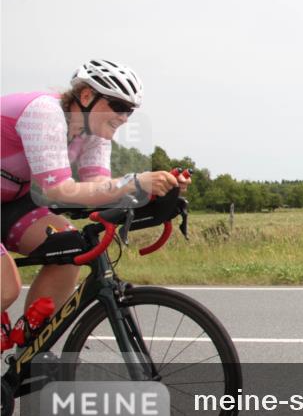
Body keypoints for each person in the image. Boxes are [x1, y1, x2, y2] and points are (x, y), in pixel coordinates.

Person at [1, 59, 189, 347]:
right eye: (118, 106)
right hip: (13, 195)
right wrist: (135, 181)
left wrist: (154, 192)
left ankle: (31, 351)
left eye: (130, 110)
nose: (124, 117)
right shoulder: (45, 113)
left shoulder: (95, 134)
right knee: (5, 288)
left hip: (12, 200)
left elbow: (99, 190)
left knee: (67, 247)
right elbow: (58, 190)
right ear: (86, 96)